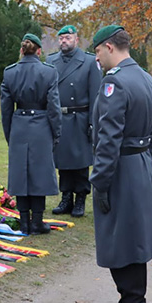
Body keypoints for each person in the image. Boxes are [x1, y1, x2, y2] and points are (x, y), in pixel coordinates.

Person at [89, 25, 152, 303]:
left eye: (97, 51)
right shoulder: (146, 79)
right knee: (134, 242)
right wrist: (143, 160)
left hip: (120, 170)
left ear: (108, 48)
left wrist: (101, 182)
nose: (97, 58)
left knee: (122, 245)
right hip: (141, 165)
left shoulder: (114, 84)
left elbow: (108, 140)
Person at [0, 33, 62, 234]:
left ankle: (24, 221)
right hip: (42, 126)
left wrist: (10, 133)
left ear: (21, 51)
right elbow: (54, 107)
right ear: (39, 51)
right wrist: (56, 132)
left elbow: (6, 109)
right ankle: (37, 221)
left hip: (18, 125)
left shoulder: (10, 73)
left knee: (20, 174)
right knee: (40, 174)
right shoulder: (49, 72)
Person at [48, 24, 101, 217]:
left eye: (68, 37)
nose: (64, 41)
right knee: (62, 162)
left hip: (80, 117)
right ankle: (66, 198)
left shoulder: (88, 61)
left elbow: (96, 94)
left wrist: (93, 123)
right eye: (61, 38)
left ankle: (80, 199)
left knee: (80, 163)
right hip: (60, 118)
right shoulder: (51, 61)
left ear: (76, 40)